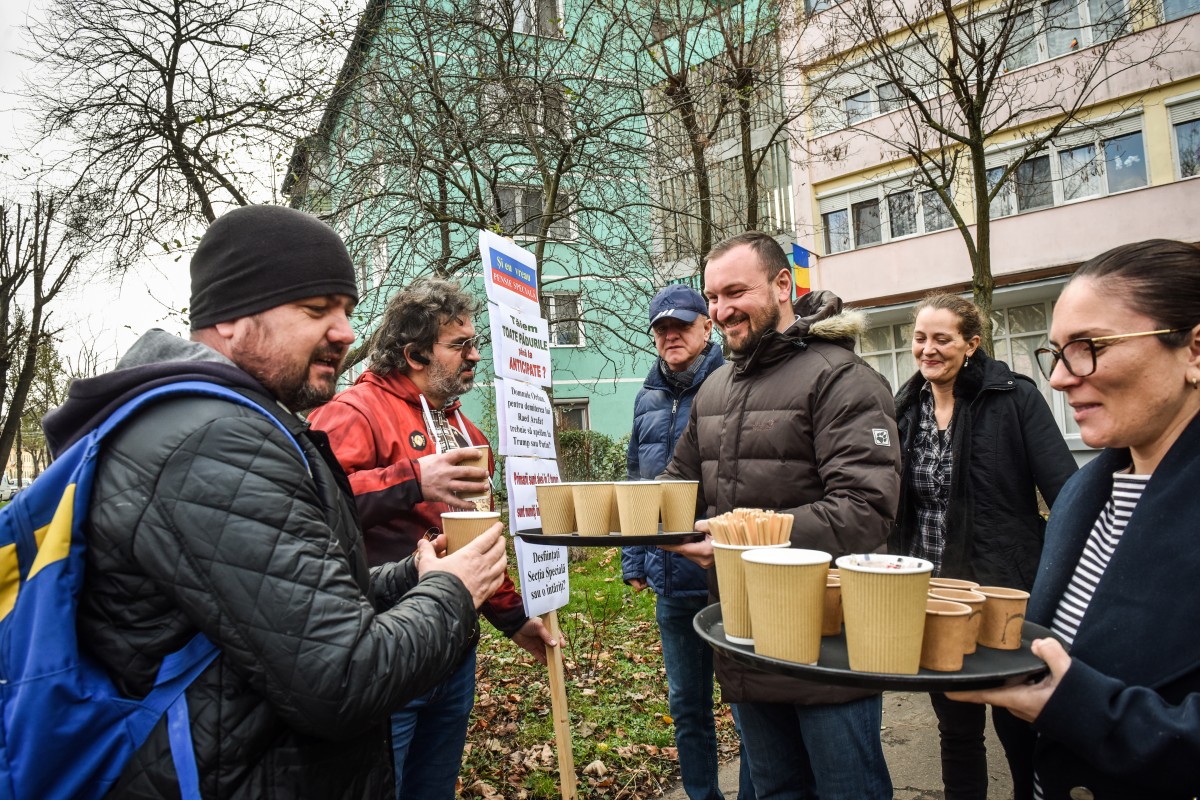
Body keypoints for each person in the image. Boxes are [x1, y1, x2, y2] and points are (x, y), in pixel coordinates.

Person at [41, 204, 509, 797]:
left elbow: (294, 602)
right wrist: (455, 589)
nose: (345, 333)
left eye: (346, 312)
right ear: (232, 320)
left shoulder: (239, 426)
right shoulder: (213, 443)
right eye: (317, 310)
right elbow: (341, 678)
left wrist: (411, 575)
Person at [947, 239, 1200, 800]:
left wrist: (1076, 707)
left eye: (1089, 347)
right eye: (1058, 353)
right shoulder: (1087, 493)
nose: (1060, 378)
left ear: (1194, 350)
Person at [661, 231, 901, 799]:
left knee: (848, 792)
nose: (720, 311)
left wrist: (737, 541)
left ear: (782, 285)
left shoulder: (841, 377)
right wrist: (642, 521)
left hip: (828, 643)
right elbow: (678, 483)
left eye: (735, 292)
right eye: (712, 297)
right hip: (747, 633)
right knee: (774, 792)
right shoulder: (715, 387)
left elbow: (865, 510)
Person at [308, 277, 556, 799]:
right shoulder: (354, 412)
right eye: (460, 345)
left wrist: (512, 618)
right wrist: (410, 480)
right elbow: (314, 507)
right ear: (415, 353)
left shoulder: (466, 430)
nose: (474, 356)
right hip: (383, 653)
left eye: (475, 343)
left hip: (452, 651)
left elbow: (474, 538)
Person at [888, 293, 1076, 800]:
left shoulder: (1014, 398)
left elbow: (1068, 493)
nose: (928, 350)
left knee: (1019, 726)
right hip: (933, 596)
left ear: (972, 344)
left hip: (1002, 591)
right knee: (957, 727)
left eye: (942, 339)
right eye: (920, 338)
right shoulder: (904, 409)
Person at [622, 284, 757, 800]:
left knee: (747, 703)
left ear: (708, 326)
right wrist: (635, 555)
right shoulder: (647, 396)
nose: (670, 335)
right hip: (671, 577)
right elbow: (638, 480)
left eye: (680, 325)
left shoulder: (734, 381)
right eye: (661, 328)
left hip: (728, 574)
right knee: (686, 706)